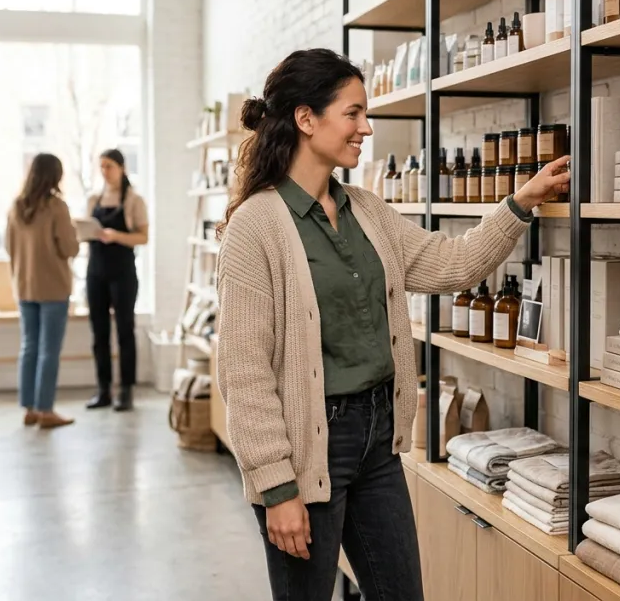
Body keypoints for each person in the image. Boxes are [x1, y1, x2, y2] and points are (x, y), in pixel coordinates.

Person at [214, 48, 570, 601]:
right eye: (353, 113)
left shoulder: (366, 210)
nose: (366, 127)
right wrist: (276, 487)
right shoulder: (255, 227)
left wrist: (520, 203)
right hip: (310, 446)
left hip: (378, 439)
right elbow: (244, 372)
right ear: (306, 119)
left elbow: (452, 264)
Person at [5, 153, 80, 429]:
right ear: (55, 176)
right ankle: (46, 409)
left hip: (24, 286)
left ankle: (30, 409)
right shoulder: (56, 207)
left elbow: (7, 246)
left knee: (29, 348)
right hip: (53, 287)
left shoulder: (16, 206)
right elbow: (69, 248)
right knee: (49, 350)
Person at [84, 148, 149, 412]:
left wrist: (115, 236)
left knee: (124, 332)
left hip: (123, 272)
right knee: (99, 333)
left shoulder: (134, 200)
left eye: (109, 166)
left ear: (122, 168)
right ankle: (103, 390)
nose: (104, 171)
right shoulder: (93, 199)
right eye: (101, 166)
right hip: (95, 271)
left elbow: (143, 237)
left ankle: (126, 391)